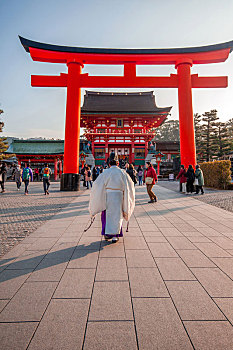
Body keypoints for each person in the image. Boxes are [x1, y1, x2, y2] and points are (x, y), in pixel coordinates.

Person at [89, 152, 135, 243]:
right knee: (118, 215)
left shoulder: (105, 172)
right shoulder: (122, 172)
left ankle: (107, 234)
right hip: (119, 196)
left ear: (109, 163)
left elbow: (97, 185)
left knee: (106, 215)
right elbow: (130, 185)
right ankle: (115, 236)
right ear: (118, 163)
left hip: (108, 196)